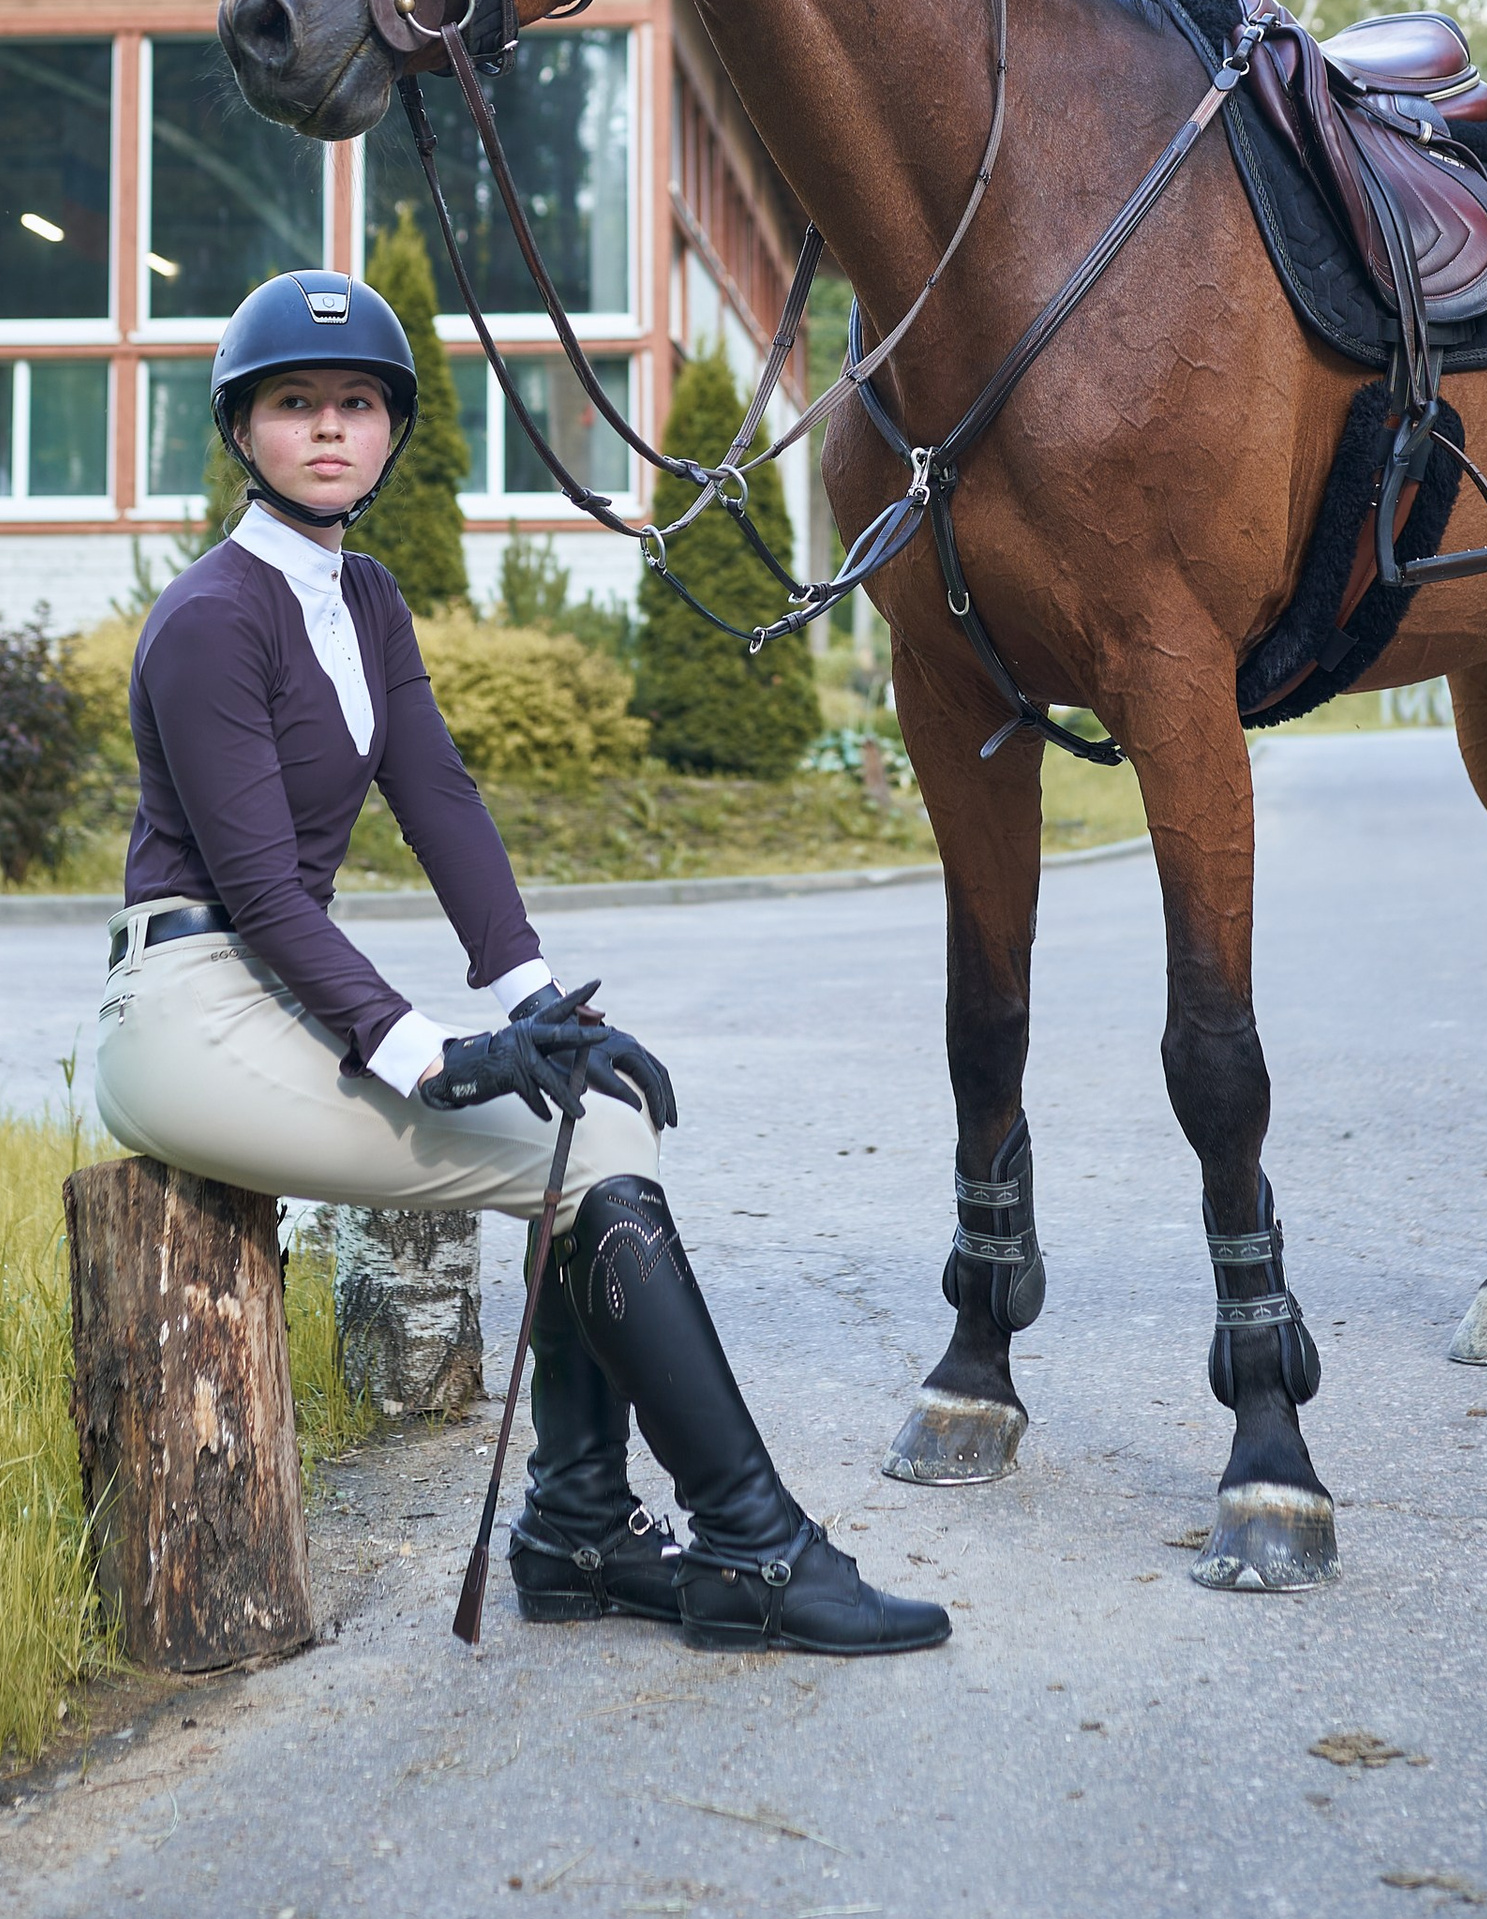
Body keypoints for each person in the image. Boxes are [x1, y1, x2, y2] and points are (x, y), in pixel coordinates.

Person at [95, 268, 948, 1662]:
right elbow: (256, 889)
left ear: (391, 432)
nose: (329, 430)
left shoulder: (364, 598)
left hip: (262, 992)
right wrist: (433, 1052)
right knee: (570, 1158)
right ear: (241, 428)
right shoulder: (210, 618)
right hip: (186, 1011)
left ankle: (578, 1525)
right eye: (295, 405)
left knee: (593, 1116)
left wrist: (535, 1004)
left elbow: (440, 801)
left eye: (357, 405)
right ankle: (754, 1545)